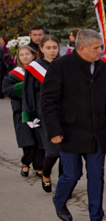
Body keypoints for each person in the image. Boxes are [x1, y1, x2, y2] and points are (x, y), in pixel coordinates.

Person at [40, 29, 106, 221]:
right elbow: (48, 101)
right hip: (69, 132)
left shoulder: (102, 68)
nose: (101, 51)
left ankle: (96, 218)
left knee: (96, 177)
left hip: (96, 133)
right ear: (82, 48)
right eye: (97, 48)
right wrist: (54, 130)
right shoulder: (60, 66)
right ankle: (60, 199)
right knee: (71, 175)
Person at [22, 34, 62, 193]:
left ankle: (63, 183)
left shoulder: (63, 64)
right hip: (43, 113)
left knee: (65, 151)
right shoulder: (34, 67)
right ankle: (46, 173)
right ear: (41, 49)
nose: (52, 51)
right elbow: (28, 93)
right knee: (53, 150)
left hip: (63, 112)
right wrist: (29, 115)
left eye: (55, 47)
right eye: (48, 48)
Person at [2, 45, 40, 177]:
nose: (25, 57)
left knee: (39, 140)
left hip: (38, 110)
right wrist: (26, 85)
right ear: (18, 58)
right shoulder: (14, 75)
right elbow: (7, 90)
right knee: (27, 140)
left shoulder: (39, 72)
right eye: (22, 55)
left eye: (27, 54)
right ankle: (26, 162)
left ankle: (38, 166)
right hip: (21, 111)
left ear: (33, 55)